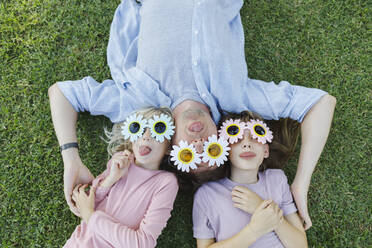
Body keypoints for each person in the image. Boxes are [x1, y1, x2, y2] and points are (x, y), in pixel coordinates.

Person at [48, 0, 336, 229]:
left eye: (189, 154)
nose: (198, 143)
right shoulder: (237, 95)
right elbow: (321, 103)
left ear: (171, 146)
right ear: (223, 139)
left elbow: (61, 94)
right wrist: (300, 184)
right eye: (210, 150)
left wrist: (70, 158)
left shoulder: (136, 104)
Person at [64, 107, 178, 247]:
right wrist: (111, 179)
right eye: (139, 128)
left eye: (158, 130)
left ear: (169, 147)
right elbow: (85, 202)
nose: (146, 136)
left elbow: (142, 243)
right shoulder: (120, 162)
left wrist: (90, 216)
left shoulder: (165, 183)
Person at [193, 111, 307, 247]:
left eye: (255, 137)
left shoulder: (277, 180)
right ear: (225, 150)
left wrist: (261, 207)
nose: (247, 144)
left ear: (266, 150)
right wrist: (254, 230)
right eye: (237, 138)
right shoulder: (207, 194)